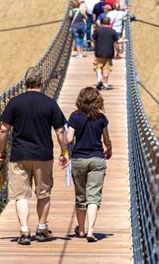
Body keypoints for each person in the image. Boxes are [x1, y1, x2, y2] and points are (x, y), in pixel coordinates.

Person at [0, 67, 69, 245]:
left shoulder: (14, 102)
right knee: (43, 193)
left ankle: (24, 231)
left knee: (21, 195)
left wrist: (2, 150)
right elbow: (60, 131)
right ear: (41, 82)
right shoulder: (49, 103)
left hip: (19, 155)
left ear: (25, 83)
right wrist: (64, 152)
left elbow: (4, 129)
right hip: (43, 155)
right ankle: (42, 228)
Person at [66, 87, 112, 242]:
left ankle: (81, 230)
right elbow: (106, 140)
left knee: (81, 196)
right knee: (94, 196)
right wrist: (109, 149)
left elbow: (69, 139)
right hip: (97, 159)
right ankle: (91, 231)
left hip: (79, 159)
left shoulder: (74, 116)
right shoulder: (101, 118)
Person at [92, 17, 120, 90]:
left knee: (98, 66)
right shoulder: (113, 31)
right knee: (106, 69)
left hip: (99, 52)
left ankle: (99, 78)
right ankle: (105, 84)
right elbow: (116, 43)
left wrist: (95, 46)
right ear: (109, 23)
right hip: (109, 53)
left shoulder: (97, 31)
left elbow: (93, 40)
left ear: (101, 23)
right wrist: (118, 51)